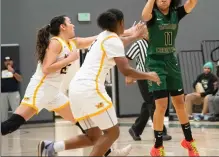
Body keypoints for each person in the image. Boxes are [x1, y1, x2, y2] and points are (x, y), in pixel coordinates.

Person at [1, 15, 143, 156]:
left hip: (55, 94)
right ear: (62, 27)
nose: (73, 25)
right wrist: (69, 59)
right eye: (70, 22)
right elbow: (46, 68)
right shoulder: (55, 43)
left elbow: (99, 38)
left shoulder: (71, 43)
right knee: (12, 124)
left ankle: (108, 152)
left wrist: (130, 31)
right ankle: (110, 152)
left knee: (90, 128)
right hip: (40, 90)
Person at [39, 9, 160, 157]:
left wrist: (134, 36)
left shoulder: (104, 36)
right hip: (90, 88)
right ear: (121, 23)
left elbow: (119, 41)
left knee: (93, 136)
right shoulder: (112, 40)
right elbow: (126, 70)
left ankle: (51, 147)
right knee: (113, 132)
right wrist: (150, 75)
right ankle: (112, 153)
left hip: (76, 89)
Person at [141, 0, 199, 156]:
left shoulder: (176, 13)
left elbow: (194, 1)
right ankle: (158, 146)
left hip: (171, 62)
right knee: (161, 106)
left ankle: (189, 141)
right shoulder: (152, 16)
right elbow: (144, 15)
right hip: (155, 63)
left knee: (180, 103)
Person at [126, 28, 172, 141]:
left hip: (155, 76)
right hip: (143, 77)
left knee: (150, 103)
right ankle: (160, 131)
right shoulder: (138, 44)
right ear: (142, 33)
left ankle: (135, 129)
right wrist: (129, 75)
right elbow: (127, 58)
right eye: (147, 31)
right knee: (153, 102)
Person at [1, 56, 22, 122]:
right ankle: (3, 125)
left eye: (9, 60)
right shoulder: (1, 70)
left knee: (15, 110)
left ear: (12, 62)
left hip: (14, 92)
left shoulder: (16, 69)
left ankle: (15, 124)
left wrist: (13, 72)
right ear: (4, 62)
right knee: (3, 110)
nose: (8, 62)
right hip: (3, 93)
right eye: (6, 61)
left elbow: (20, 79)